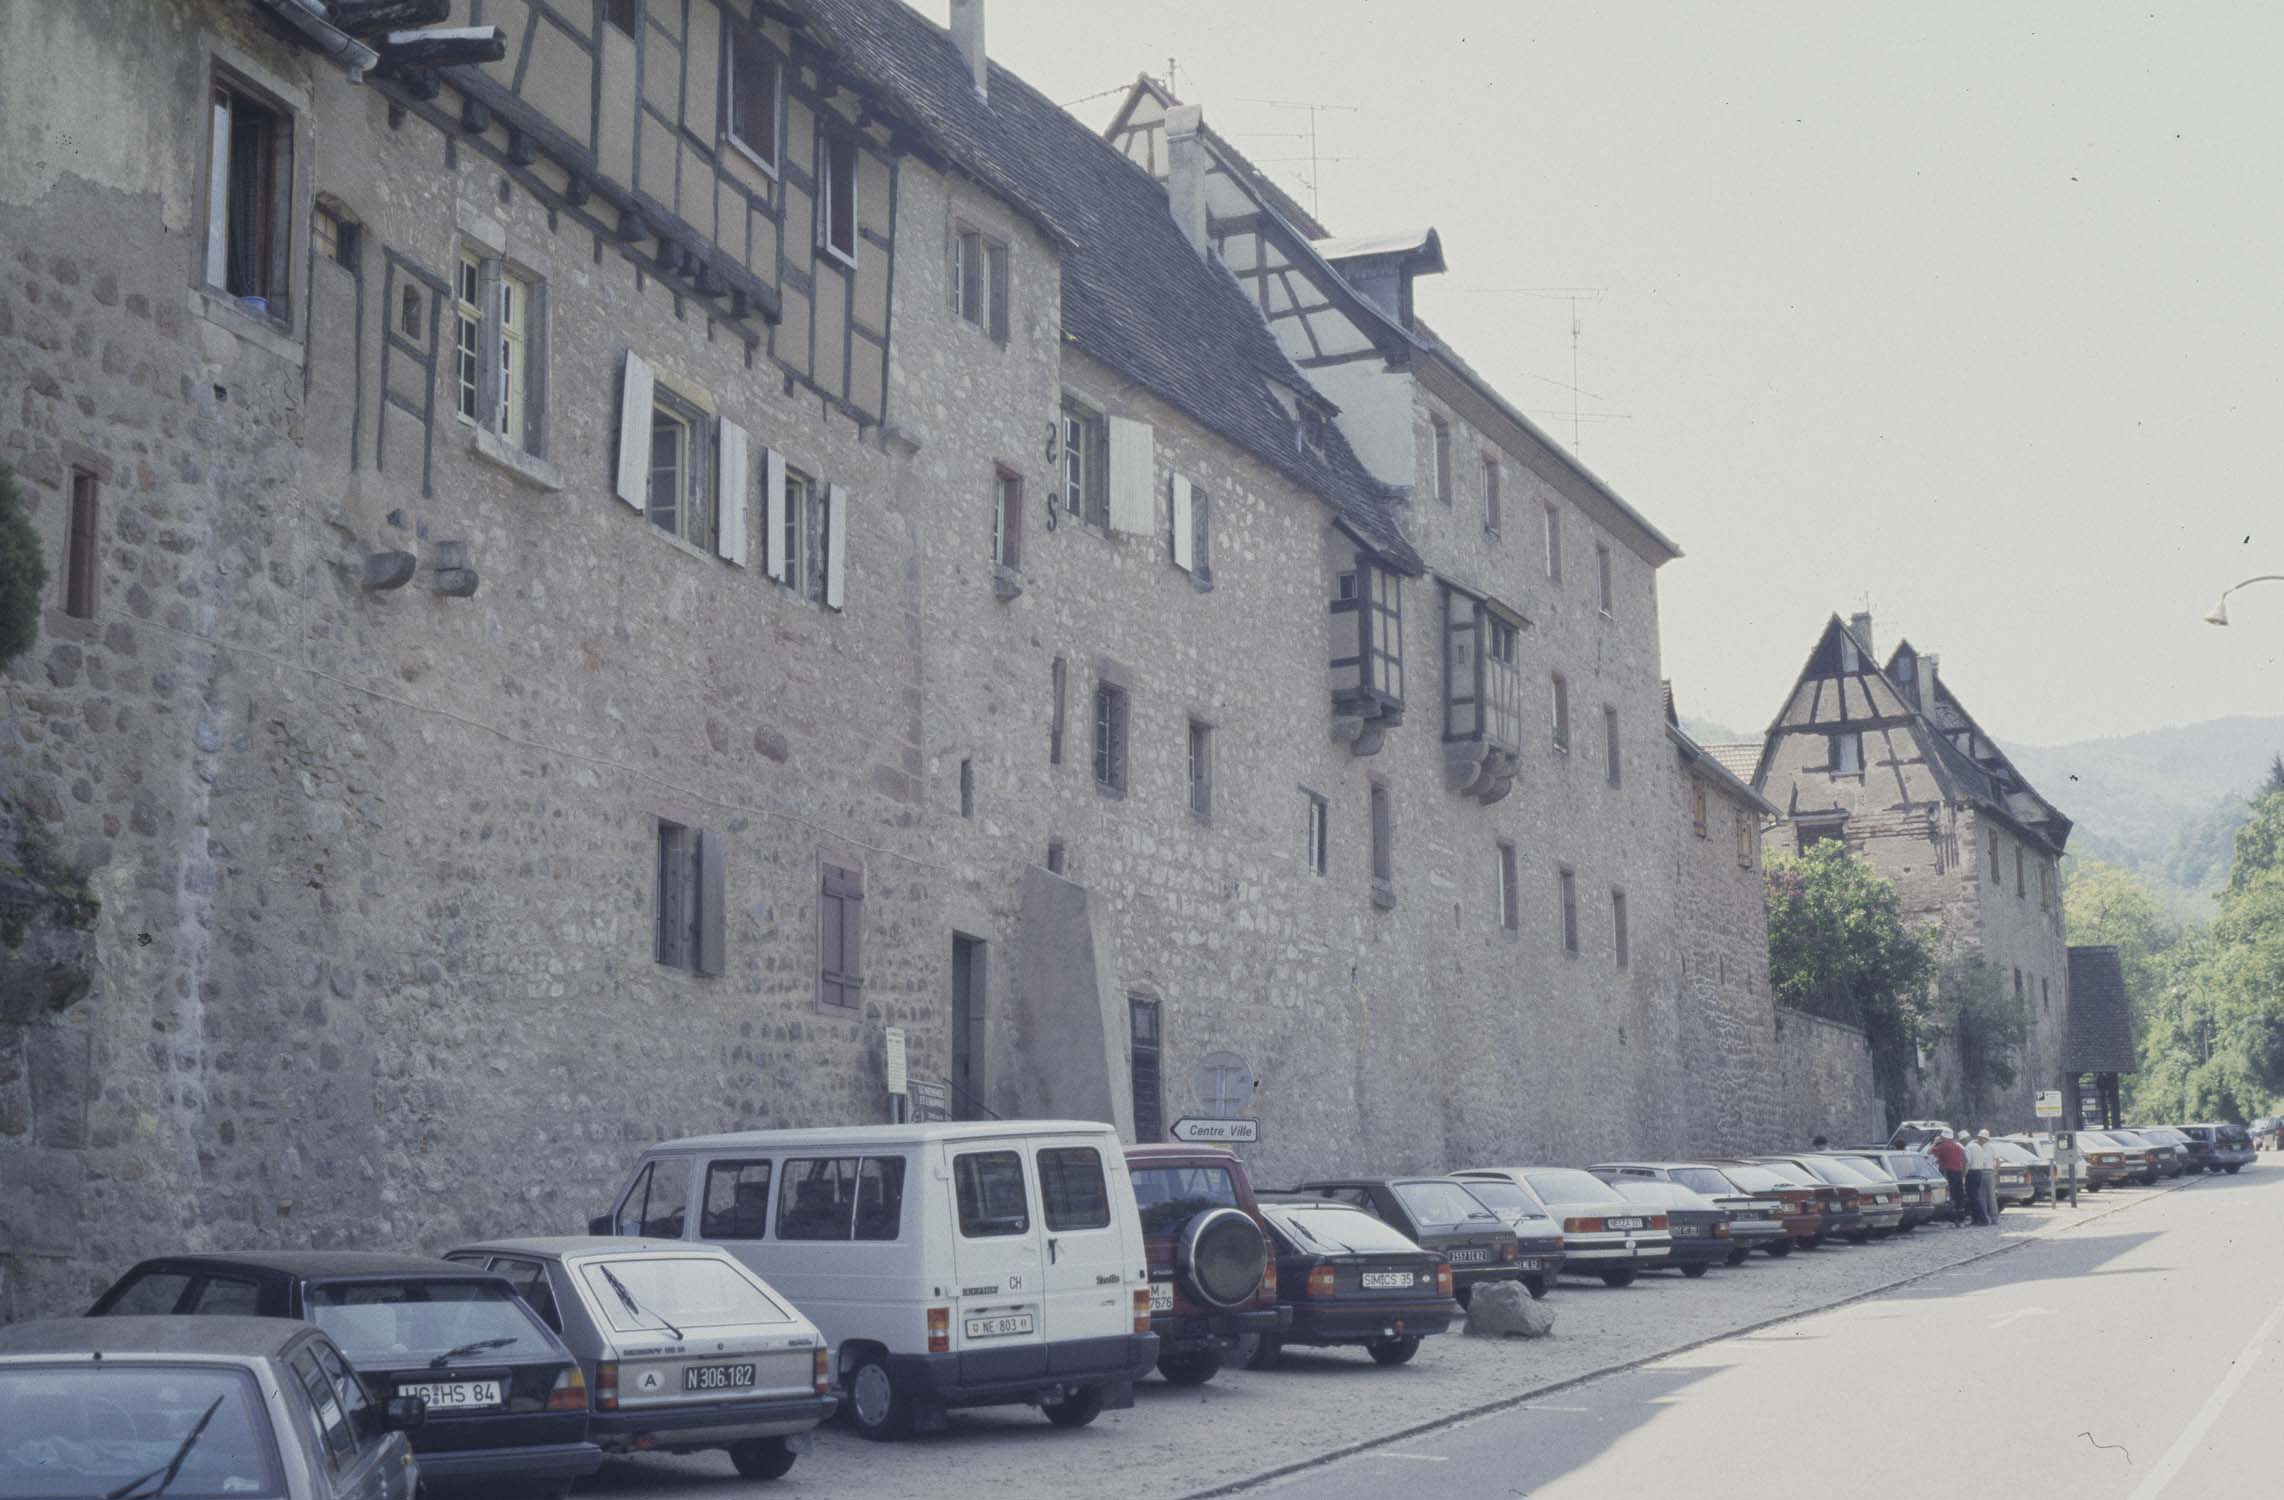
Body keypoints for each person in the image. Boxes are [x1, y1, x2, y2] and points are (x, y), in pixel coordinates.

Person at [1930, 1129, 1968, 1224]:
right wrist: (1963, 1174)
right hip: (1958, 1173)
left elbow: (1929, 1152)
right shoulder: (1958, 1147)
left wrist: (1935, 1142)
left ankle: (1951, 1217)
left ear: (1944, 1138)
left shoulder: (1943, 1146)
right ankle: (1961, 1217)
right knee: (1958, 1195)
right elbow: (1964, 1160)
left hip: (1948, 1172)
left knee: (1949, 1195)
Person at [1961, 1129, 1995, 1226]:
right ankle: (1975, 1220)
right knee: (1975, 1197)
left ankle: (1983, 1219)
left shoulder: (1968, 1147)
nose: (1962, 1143)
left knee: (1973, 1198)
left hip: (1972, 1173)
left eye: (1962, 1141)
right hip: (1979, 1172)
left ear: (1965, 1139)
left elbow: (1967, 1162)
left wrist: (1963, 1175)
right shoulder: (1978, 1146)